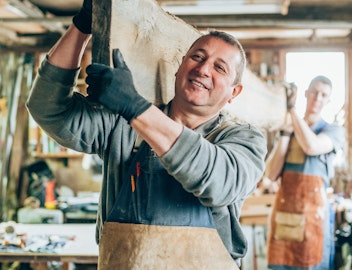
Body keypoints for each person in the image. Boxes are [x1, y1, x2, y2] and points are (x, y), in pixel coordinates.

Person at [25, 1, 267, 269]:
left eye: (220, 67)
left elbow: (218, 182)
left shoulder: (244, 139)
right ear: (180, 66)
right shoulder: (123, 125)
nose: (203, 69)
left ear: (234, 92)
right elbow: (48, 109)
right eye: (197, 57)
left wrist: (135, 107)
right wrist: (82, 26)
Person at [264, 77, 345, 270]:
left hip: (312, 218)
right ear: (306, 93)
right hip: (285, 216)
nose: (318, 97)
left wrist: (291, 111)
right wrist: (285, 134)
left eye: (324, 94)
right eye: (314, 91)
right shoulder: (290, 129)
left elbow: (311, 146)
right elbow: (271, 174)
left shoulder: (333, 131)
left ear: (328, 101)